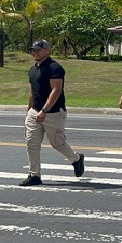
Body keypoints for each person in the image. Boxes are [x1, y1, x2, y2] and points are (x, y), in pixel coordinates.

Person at [20, 39, 85, 186]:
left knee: (57, 143)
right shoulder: (33, 69)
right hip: (35, 112)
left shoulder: (54, 68)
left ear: (47, 51)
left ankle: (76, 159)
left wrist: (45, 110)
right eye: (33, 50)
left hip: (53, 112)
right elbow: (33, 91)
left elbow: (56, 90)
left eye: (38, 50)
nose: (35, 53)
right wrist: (29, 110)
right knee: (32, 143)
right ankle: (34, 175)